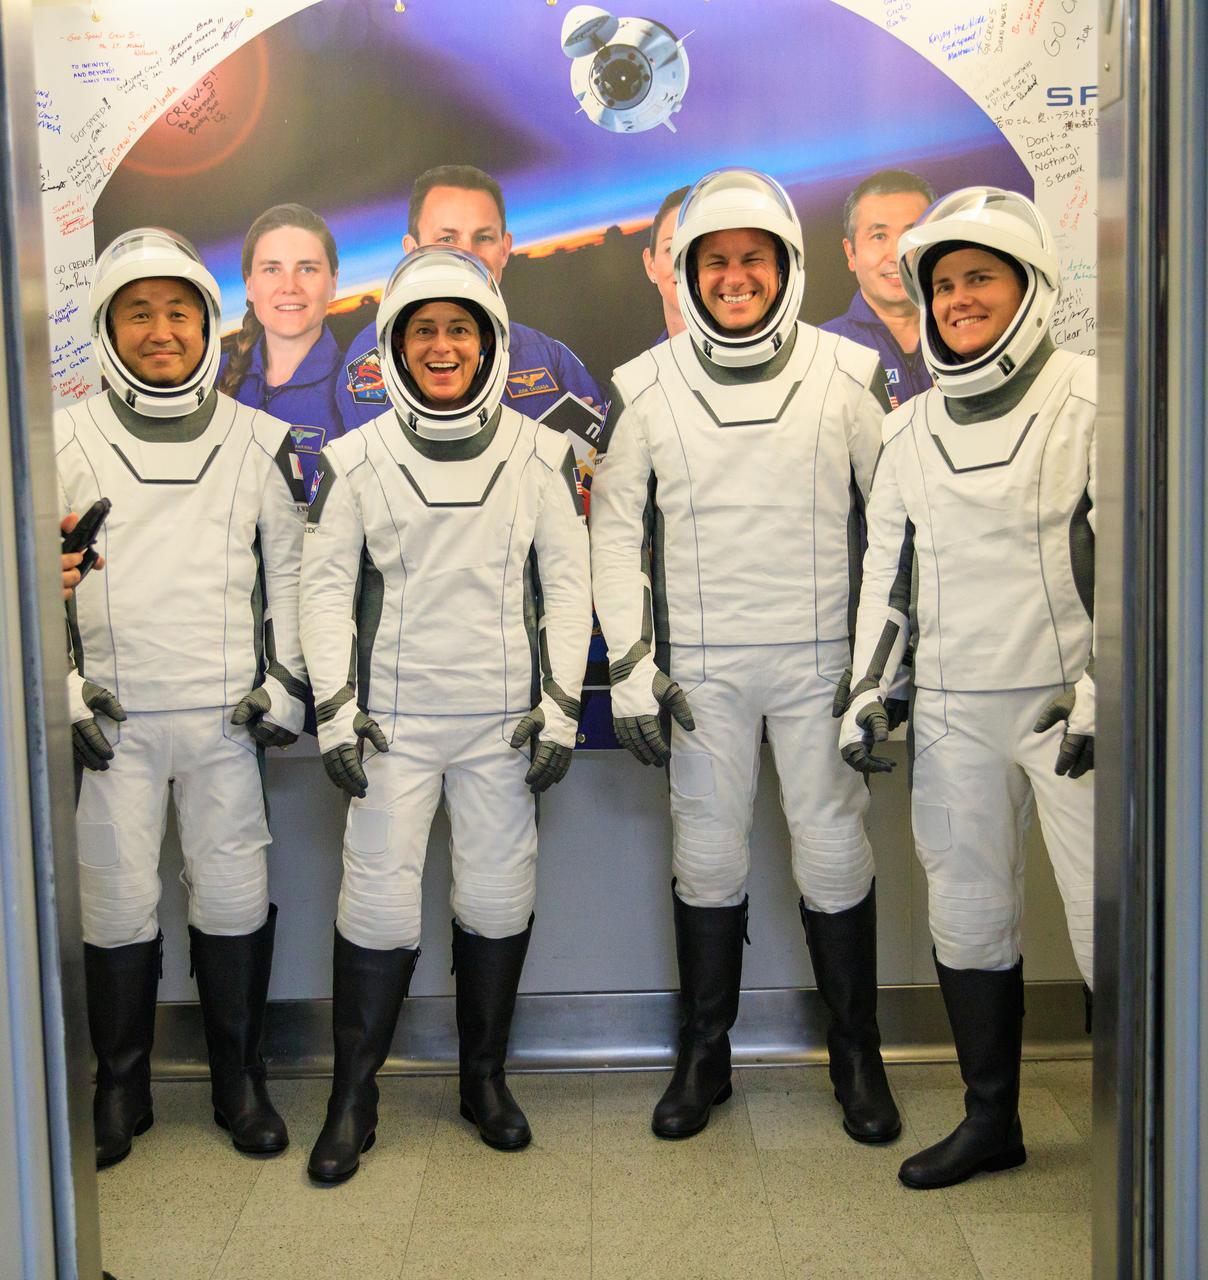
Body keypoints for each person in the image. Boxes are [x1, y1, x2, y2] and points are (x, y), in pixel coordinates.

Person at [590, 168, 899, 1143]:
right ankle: (703, 1054)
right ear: (683, 272)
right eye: (713, 260)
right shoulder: (644, 388)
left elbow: (893, 525)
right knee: (707, 858)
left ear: (785, 267)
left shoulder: (846, 378)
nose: (732, 276)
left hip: (819, 670)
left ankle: (856, 1054)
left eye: (750, 259)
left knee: (834, 851)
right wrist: (631, 665)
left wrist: (880, 668)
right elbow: (610, 536)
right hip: (702, 678)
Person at [301, 246, 591, 1181]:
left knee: (497, 897)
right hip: (392, 727)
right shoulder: (355, 459)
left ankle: (484, 1082)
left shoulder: (540, 453)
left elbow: (571, 585)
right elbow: (322, 592)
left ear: (489, 342)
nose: (440, 345)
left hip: (501, 725)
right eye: (421, 329)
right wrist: (337, 713)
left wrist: (558, 705)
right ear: (390, 347)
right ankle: (354, 1098)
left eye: (458, 329)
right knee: (378, 909)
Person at [838, 186, 1095, 1190]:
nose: (955, 299)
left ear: (1029, 285)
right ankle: (991, 1117)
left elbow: (1139, 558)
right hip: (951, 708)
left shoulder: (1089, 399)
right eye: (941, 283)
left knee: (1103, 922)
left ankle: (1148, 1124)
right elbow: (884, 581)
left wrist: (1104, 691)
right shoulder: (907, 431)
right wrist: (870, 690)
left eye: (977, 276)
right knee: (968, 913)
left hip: (1066, 708)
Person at [56, 228, 308, 1169]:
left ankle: (238, 1083)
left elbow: (290, 576)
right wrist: (68, 691)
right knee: (117, 905)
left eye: (178, 313)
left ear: (208, 324)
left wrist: (285, 685)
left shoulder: (257, 442)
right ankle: (121, 1086)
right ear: (108, 330)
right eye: (138, 314)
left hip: (223, 722)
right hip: (113, 726)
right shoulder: (66, 441)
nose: (161, 332)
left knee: (233, 894)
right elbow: (40, 586)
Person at [337, 164, 603, 430]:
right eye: (448, 238)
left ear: (505, 249)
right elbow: (387, 462)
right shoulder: (375, 357)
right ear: (412, 251)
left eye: (484, 237)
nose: (467, 254)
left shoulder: (548, 356)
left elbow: (593, 454)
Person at [216, 203, 343, 494]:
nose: (290, 286)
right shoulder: (210, 378)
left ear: (333, 282)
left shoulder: (357, 390)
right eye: (272, 269)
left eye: (307, 268)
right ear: (249, 285)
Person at [821, 169, 936, 408]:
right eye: (879, 236)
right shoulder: (822, 352)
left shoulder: (967, 332)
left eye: (912, 233)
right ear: (850, 253)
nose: (897, 254)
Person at [643, 184, 690, 343]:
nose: (683, 264)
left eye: (696, 249)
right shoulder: (643, 368)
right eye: (671, 249)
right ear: (650, 265)